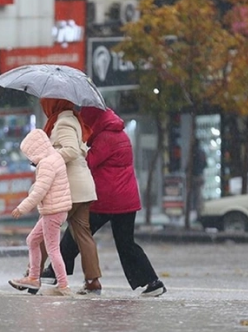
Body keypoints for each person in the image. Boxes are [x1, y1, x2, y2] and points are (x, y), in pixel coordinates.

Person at [40, 107, 167, 297]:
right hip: (126, 200)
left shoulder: (106, 138)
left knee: (77, 231)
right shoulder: (119, 135)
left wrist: (77, 148)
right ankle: (152, 282)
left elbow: (88, 162)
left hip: (107, 199)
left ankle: (54, 273)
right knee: (126, 244)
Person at [39, 98, 101, 295]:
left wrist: (48, 159)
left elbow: (72, 151)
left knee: (44, 230)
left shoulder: (63, 122)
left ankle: (33, 274)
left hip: (70, 187)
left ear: (54, 103)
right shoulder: (75, 119)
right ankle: (93, 281)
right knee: (84, 234)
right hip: (83, 187)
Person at [8, 129, 73, 296]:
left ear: (35, 150)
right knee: (32, 240)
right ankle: (34, 278)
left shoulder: (46, 164)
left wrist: (21, 208)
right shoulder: (55, 157)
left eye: (29, 154)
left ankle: (63, 285)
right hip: (57, 210)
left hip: (52, 211)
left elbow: (39, 192)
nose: (29, 159)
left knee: (52, 249)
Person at [190, 140, 207, 214]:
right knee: (198, 192)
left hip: (194, 175)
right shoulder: (202, 152)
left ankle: (195, 208)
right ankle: (198, 208)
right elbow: (205, 164)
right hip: (200, 174)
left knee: (194, 193)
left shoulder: (192, 153)